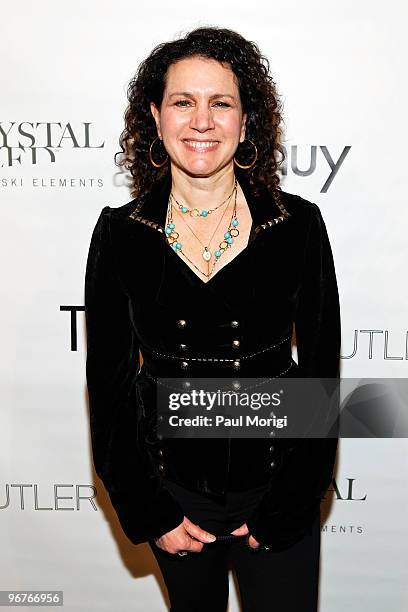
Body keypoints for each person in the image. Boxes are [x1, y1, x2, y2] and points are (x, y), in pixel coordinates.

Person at [84, 26, 341, 612]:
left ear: (245, 122)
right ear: (155, 116)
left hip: (277, 491)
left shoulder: (297, 225)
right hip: (176, 499)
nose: (202, 120)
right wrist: (152, 512)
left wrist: (288, 506)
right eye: (183, 101)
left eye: (220, 103)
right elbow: (111, 388)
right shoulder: (121, 234)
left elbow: (322, 376)